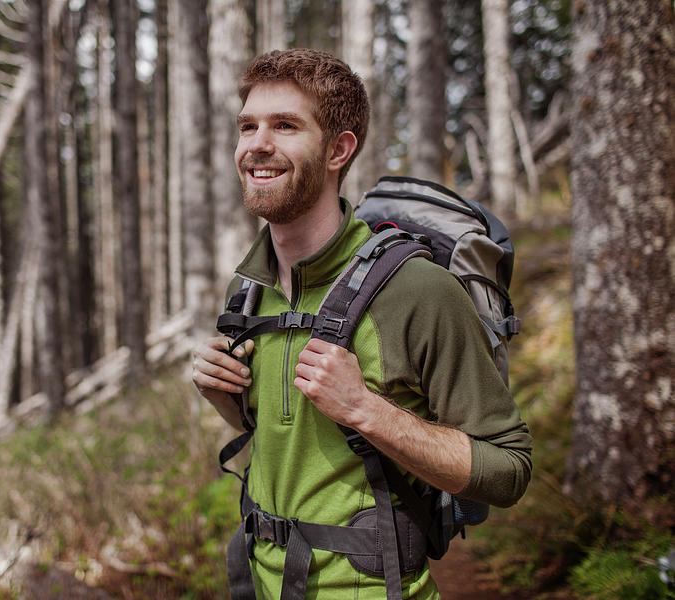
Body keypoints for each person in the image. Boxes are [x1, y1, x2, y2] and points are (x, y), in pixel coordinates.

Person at [191, 48, 532, 599]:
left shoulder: (416, 290)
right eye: (247, 126)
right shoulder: (248, 292)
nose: (257, 143)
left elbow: (509, 469)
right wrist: (222, 395)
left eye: (285, 125)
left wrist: (366, 409)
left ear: (338, 149)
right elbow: (289, 440)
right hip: (261, 584)